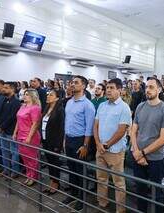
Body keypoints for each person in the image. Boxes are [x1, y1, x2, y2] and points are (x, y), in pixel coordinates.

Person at [131, 77, 164, 213]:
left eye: (151, 87)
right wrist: (137, 152)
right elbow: (133, 131)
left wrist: (142, 153)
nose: (148, 90)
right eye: (147, 87)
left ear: (159, 90)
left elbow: (163, 139)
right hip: (138, 156)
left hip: (155, 159)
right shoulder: (140, 106)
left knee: (156, 193)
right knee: (140, 191)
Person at [94, 78, 131, 213]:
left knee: (118, 183)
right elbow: (96, 124)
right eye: (107, 87)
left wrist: (107, 144)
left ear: (119, 90)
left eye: (112, 88)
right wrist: (98, 143)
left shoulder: (124, 108)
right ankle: (102, 203)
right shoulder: (102, 105)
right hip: (100, 149)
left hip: (115, 151)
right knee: (101, 179)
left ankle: (120, 210)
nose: (108, 90)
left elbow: (121, 130)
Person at [61, 75, 95, 211]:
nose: (72, 84)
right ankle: (73, 193)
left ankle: (82, 199)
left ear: (83, 86)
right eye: (72, 82)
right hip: (69, 139)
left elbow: (89, 128)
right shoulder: (69, 102)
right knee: (71, 168)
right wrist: (64, 140)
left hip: (80, 140)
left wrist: (85, 145)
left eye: (76, 83)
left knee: (81, 170)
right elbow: (67, 122)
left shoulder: (88, 105)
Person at [13, 89, 42, 186]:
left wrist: (29, 137)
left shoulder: (35, 108)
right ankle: (28, 175)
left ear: (32, 96)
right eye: (24, 94)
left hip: (30, 136)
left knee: (32, 158)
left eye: (27, 95)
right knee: (24, 158)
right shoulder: (22, 106)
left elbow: (35, 124)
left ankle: (33, 177)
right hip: (20, 135)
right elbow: (18, 120)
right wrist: (14, 133)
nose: (24, 96)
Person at [41, 90, 65, 195]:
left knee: (55, 163)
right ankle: (51, 181)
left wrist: (58, 145)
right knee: (49, 162)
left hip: (54, 142)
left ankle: (56, 183)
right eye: (48, 94)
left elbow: (61, 129)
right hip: (46, 140)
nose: (48, 96)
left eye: (51, 95)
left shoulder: (60, 110)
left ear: (57, 98)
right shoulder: (47, 108)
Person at [0, 82, 21, 178]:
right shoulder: (4, 99)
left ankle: (15, 171)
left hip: (11, 131)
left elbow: (12, 117)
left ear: (12, 89)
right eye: (3, 87)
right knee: (4, 151)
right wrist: (0, 125)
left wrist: (2, 127)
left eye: (6, 88)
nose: (3, 89)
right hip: (3, 130)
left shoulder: (16, 102)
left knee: (14, 152)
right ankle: (6, 169)